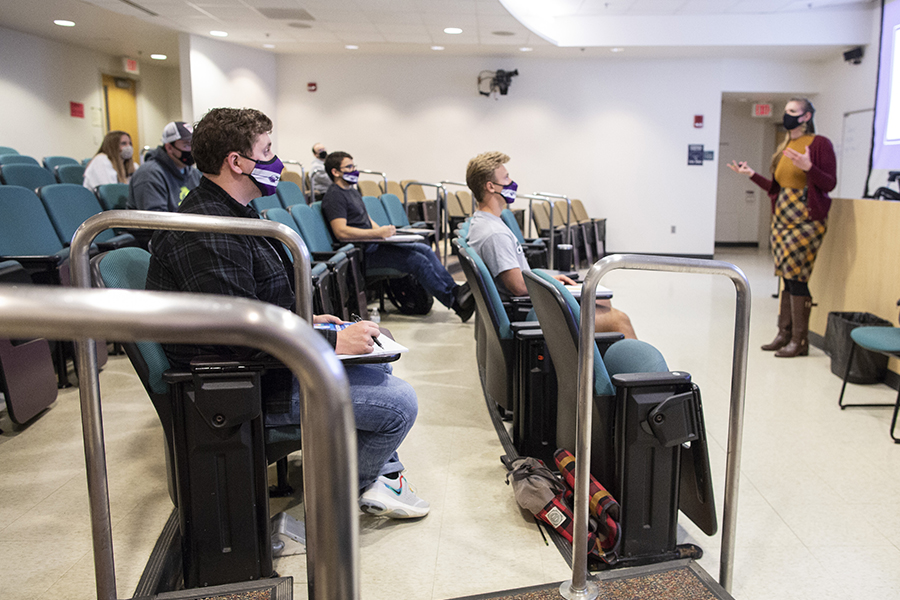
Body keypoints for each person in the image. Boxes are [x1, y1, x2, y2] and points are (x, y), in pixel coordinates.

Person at [146, 108, 429, 519]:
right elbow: (239, 333)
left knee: (378, 367)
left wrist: (308, 322)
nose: (275, 161)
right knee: (400, 403)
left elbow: (251, 302)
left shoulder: (234, 212)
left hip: (261, 365)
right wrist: (330, 343)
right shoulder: (209, 229)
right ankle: (357, 487)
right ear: (237, 162)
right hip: (241, 384)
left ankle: (383, 474)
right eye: (266, 150)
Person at [465, 151, 636, 339]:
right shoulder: (494, 233)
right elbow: (519, 287)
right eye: (505, 177)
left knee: (602, 301)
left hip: (529, 304)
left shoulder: (484, 223)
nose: (511, 181)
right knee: (619, 320)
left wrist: (553, 278)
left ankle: (591, 365)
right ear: (491, 186)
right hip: (529, 311)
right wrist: (554, 285)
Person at [728, 97, 836, 357]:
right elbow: (777, 189)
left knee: (797, 275)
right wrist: (751, 174)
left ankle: (799, 340)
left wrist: (810, 167)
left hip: (807, 219)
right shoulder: (785, 144)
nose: (786, 115)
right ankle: (784, 333)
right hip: (782, 217)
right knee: (786, 276)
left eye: (791, 111)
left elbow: (829, 183)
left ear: (806, 116)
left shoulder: (819, 144)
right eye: (785, 111)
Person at [322, 151, 476, 322]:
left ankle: (455, 291)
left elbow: (366, 219)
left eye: (354, 166)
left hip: (374, 244)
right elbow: (341, 231)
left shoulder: (352, 191)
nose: (354, 170)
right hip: (362, 254)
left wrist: (383, 231)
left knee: (423, 248)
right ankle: (456, 302)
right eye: (349, 167)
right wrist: (376, 233)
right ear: (335, 172)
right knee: (417, 261)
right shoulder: (334, 196)